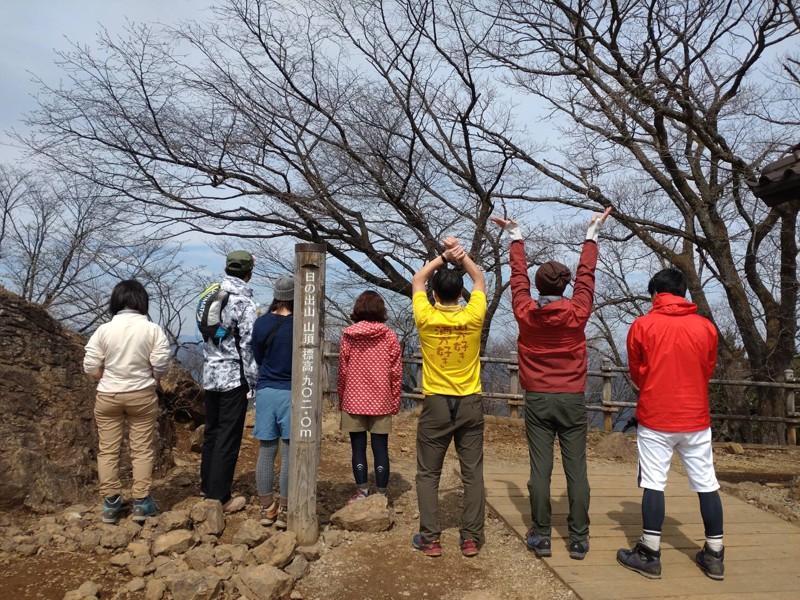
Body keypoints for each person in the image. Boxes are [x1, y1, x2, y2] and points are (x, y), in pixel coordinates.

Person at [492, 207, 612, 560]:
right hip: (572, 399)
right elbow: (587, 276)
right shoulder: (577, 312)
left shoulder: (525, 312)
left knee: (539, 469)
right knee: (577, 469)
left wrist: (516, 237)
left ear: (538, 286)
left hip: (538, 400)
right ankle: (578, 538)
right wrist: (591, 234)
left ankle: (541, 534)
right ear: (566, 286)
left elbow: (517, 279)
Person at [617, 268, 723, 580]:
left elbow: (637, 372)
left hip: (656, 416)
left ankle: (649, 553)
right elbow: (707, 369)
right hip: (695, 416)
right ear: (684, 292)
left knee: (653, 482)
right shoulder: (706, 327)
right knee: (707, 483)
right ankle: (715, 555)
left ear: (655, 294)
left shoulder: (642, 325)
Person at [411, 237, 486, 558]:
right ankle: (470, 538)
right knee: (472, 472)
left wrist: (444, 256)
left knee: (429, 472)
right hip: (470, 401)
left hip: (436, 403)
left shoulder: (426, 317)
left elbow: (417, 279)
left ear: (435, 294)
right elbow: (479, 278)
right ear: (460, 294)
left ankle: (431, 539)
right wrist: (461, 255)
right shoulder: (473, 317)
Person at [83, 280, 171, 524]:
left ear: (116, 301)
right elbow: (161, 364)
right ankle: (142, 502)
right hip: (141, 394)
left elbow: (90, 365)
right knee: (141, 449)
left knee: (108, 450)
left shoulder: (104, 330)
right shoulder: (152, 330)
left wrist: (104, 376)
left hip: (108, 395)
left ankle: (110, 504)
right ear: (142, 302)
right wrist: (153, 377)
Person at [201, 250, 259, 513]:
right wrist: (254, 381)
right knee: (228, 434)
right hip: (233, 376)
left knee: (212, 431)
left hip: (209, 373)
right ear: (249, 272)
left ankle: (207, 486)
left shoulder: (212, 294)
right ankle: (220, 496)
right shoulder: (244, 302)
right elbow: (247, 345)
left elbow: (213, 334)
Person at [338, 291, 402, 504]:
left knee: (357, 447)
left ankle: (362, 491)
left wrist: (342, 397)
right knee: (380, 447)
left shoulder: (348, 335)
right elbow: (396, 371)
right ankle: (382, 493)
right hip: (381, 399)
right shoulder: (389, 335)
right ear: (380, 310)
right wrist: (395, 400)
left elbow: (342, 370)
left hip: (353, 398)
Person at [251, 275, 295, 529]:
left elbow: (257, 356)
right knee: (289, 452)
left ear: (276, 294)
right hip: (291, 392)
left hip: (266, 390)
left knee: (266, 451)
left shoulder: (262, 323)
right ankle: (287, 508)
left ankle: (267, 508)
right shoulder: (302, 324)